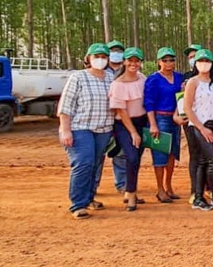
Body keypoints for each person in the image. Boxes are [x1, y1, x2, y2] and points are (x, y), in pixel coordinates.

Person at [58, 43, 114, 219]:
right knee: (83, 163)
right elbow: (66, 105)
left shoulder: (110, 78)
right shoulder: (78, 77)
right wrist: (66, 130)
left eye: (103, 57)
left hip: (103, 129)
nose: (100, 59)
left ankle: (89, 197)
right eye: (96, 56)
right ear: (88, 58)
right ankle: (78, 204)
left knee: (96, 164)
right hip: (79, 128)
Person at [183, 49, 213, 211]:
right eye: (200, 60)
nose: (204, 63)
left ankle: (198, 197)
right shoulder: (193, 82)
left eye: (207, 60)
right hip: (200, 126)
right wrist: (202, 128)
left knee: (203, 161)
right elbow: (187, 108)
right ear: (196, 63)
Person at [109, 47, 148, 212]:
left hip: (142, 121)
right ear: (124, 62)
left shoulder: (142, 79)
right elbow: (121, 111)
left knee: (137, 158)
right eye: (130, 60)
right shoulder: (117, 84)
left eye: (137, 61)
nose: (133, 64)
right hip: (124, 124)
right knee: (131, 157)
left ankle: (129, 189)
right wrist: (132, 132)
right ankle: (131, 193)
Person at [144, 47, 183, 203]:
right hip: (160, 118)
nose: (168, 63)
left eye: (171, 59)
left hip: (175, 118)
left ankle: (168, 185)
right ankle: (160, 189)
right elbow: (149, 102)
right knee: (160, 154)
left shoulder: (179, 77)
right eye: (164, 60)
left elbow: (182, 97)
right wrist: (153, 124)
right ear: (159, 62)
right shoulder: (153, 79)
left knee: (172, 153)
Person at [105, 39, 127, 193]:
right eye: (113, 51)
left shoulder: (128, 71)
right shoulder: (101, 72)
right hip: (102, 118)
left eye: (119, 51)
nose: (116, 54)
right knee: (97, 154)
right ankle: (92, 186)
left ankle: (122, 184)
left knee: (121, 152)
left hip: (122, 118)